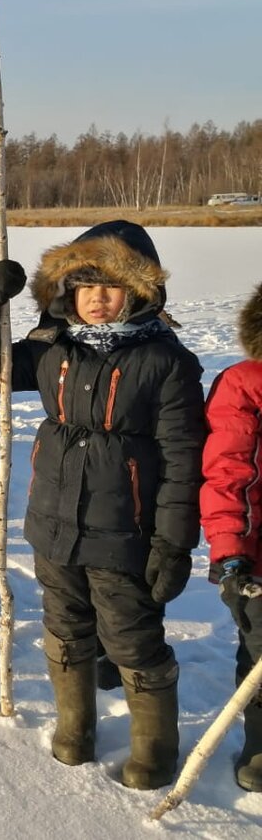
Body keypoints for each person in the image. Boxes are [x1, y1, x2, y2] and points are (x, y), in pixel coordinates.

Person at [0, 220, 205, 790]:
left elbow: (181, 460)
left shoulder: (166, 362)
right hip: (53, 523)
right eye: (84, 285)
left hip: (125, 530)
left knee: (130, 636)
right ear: (66, 292)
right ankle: (75, 725)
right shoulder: (53, 349)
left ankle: (155, 747)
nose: (97, 298)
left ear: (140, 291)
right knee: (65, 626)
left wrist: (173, 542)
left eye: (111, 286)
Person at [200, 280, 262, 793]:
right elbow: (228, 471)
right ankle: (260, 741)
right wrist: (231, 549)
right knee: (260, 652)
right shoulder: (245, 383)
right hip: (257, 556)